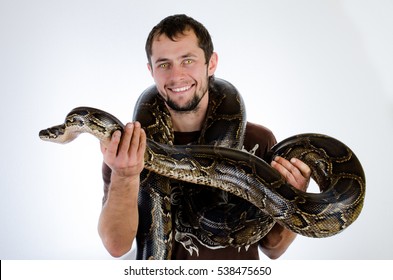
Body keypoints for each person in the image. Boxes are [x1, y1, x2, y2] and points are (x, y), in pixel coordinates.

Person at [98, 14, 311, 260]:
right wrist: (125, 176)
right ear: (151, 71)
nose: (176, 76)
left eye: (187, 60)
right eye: (164, 64)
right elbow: (116, 246)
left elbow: (273, 248)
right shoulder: (129, 149)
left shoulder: (257, 140)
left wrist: (294, 199)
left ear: (211, 63)